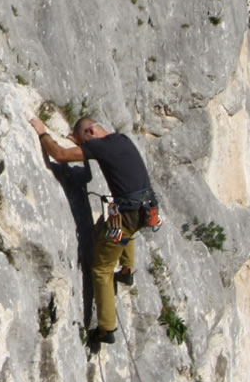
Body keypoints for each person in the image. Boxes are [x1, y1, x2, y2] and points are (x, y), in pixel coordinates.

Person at [29, 114, 157, 345]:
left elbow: (60, 155)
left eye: (85, 142)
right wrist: (81, 144)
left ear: (90, 133)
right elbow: (91, 154)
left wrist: (42, 132)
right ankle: (127, 269)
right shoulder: (121, 140)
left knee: (101, 268)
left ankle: (106, 329)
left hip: (128, 214)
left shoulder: (100, 147)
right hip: (146, 209)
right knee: (111, 227)